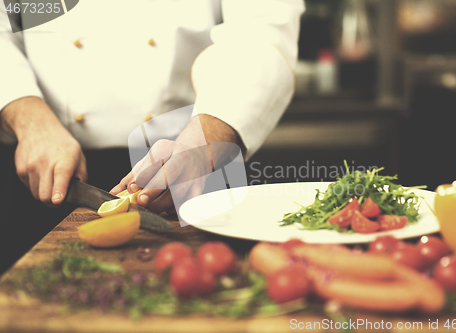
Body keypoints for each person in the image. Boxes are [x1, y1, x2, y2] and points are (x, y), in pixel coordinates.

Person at [0, 0, 304, 273]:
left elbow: (262, 28)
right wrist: (28, 118)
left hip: (193, 167)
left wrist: (206, 139)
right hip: (46, 168)